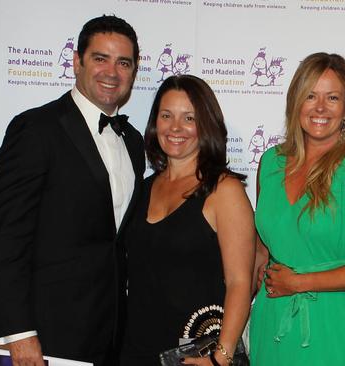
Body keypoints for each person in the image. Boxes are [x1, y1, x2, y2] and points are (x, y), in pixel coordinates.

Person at [0, 15, 144, 366]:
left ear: (133, 72)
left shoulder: (133, 142)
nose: (111, 72)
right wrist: (18, 333)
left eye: (123, 63)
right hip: (47, 336)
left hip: (113, 337)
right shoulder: (36, 130)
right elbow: (6, 239)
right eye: (100, 58)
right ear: (77, 62)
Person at [249, 53, 345, 366]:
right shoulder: (270, 163)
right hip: (272, 319)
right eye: (310, 95)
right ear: (295, 102)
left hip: (332, 323)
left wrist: (298, 282)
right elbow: (261, 250)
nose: (320, 108)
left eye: (332, 97)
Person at [119, 75, 255, 366]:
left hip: (197, 355)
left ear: (206, 124)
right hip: (137, 349)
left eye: (188, 117)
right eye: (166, 116)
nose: (175, 128)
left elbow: (240, 282)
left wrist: (221, 357)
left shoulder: (224, 191)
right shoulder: (142, 188)